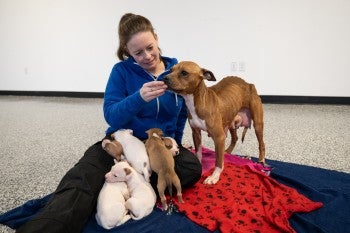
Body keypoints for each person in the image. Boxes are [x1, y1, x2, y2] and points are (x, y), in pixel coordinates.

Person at [16, 13, 202, 233]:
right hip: (123, 142)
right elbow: (112, 115)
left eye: (150, 47)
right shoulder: (121, 71)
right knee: (80, 180)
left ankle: (118, 184)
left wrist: (175, 143)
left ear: (156, 37)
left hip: (156, 144)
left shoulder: (176, 71)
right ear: (127, 51)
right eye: (138, 52)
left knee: (191, 168)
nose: (147, 56)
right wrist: (138, 97)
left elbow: (181, 115)